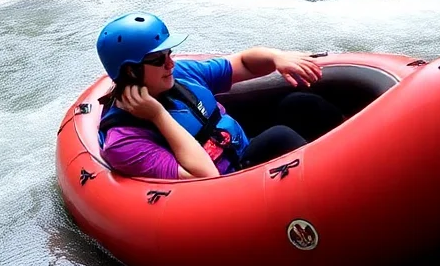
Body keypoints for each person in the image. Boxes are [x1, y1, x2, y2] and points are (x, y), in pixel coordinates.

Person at [96, 12, 343, 180]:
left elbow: (243, 63)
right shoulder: (123, 142)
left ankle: (352, 157)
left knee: (300, 105)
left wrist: (276, 57)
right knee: (279, 137)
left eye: (170, 53)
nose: (170, 63)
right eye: (159, 59)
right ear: (130, 69)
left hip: (243, 150)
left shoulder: (178, 74)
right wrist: (158, 115)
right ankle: (336, 182)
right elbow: (205, 177)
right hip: (230, 186)